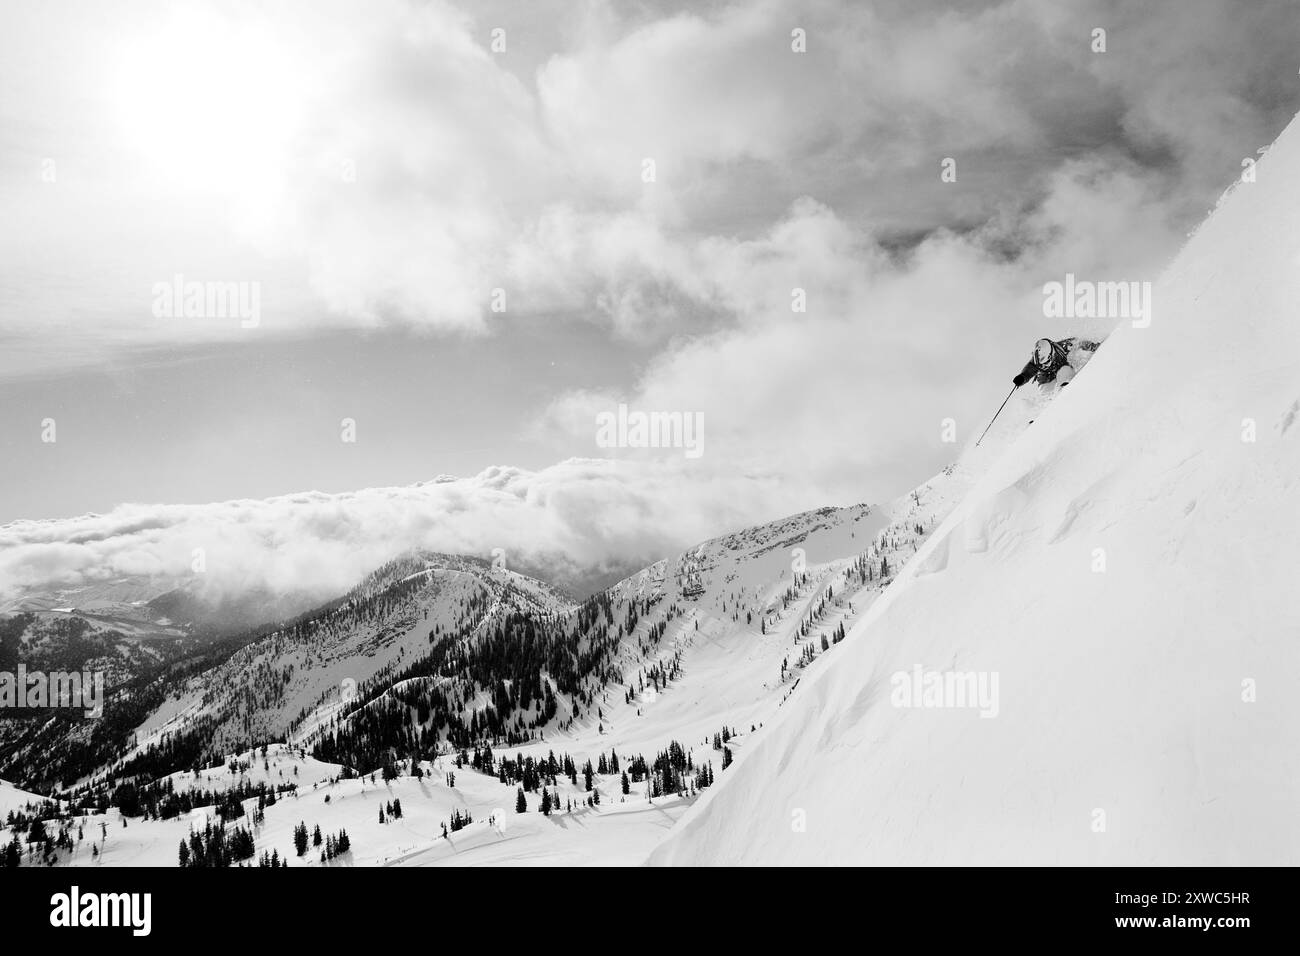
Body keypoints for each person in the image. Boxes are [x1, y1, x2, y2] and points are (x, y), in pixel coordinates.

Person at [1012, 337, 1100, 390]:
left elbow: (1078, 343)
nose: (1046, 364)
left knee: (1064, 371)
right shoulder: (1036, 360)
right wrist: (1022, 378)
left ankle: (1066, 390)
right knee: (1045, 389)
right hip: (1047, 376)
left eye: (1047, 361)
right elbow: (1029, 371)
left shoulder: (1063, 346)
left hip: (1062, 368)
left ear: (1052, 353)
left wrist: (1092, 346)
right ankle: (1048, 405)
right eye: (1043, 363)